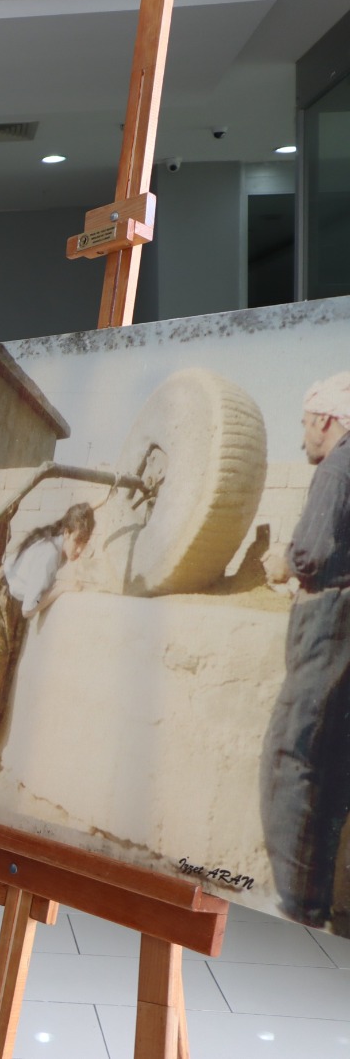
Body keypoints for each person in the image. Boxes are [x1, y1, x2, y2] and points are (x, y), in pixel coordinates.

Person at [260, 373, 350, 930]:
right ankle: (316, 906)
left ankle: (296, 908)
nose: (302, 439)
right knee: (335, 768)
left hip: (330, 623)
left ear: (326, 420)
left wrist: (284, 561)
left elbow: (312, 553)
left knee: (291, 758)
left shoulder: (337, 469)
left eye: (305, 425)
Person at [0, 501, 93, 779]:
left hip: (13, 606)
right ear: (67, 533)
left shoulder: (56, 545)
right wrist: (62, 589)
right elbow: (29, 608)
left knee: (1, 682)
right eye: (78, 541)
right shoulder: (48, 554)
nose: (81, 549)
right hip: (3, 602)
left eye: (85, 543)